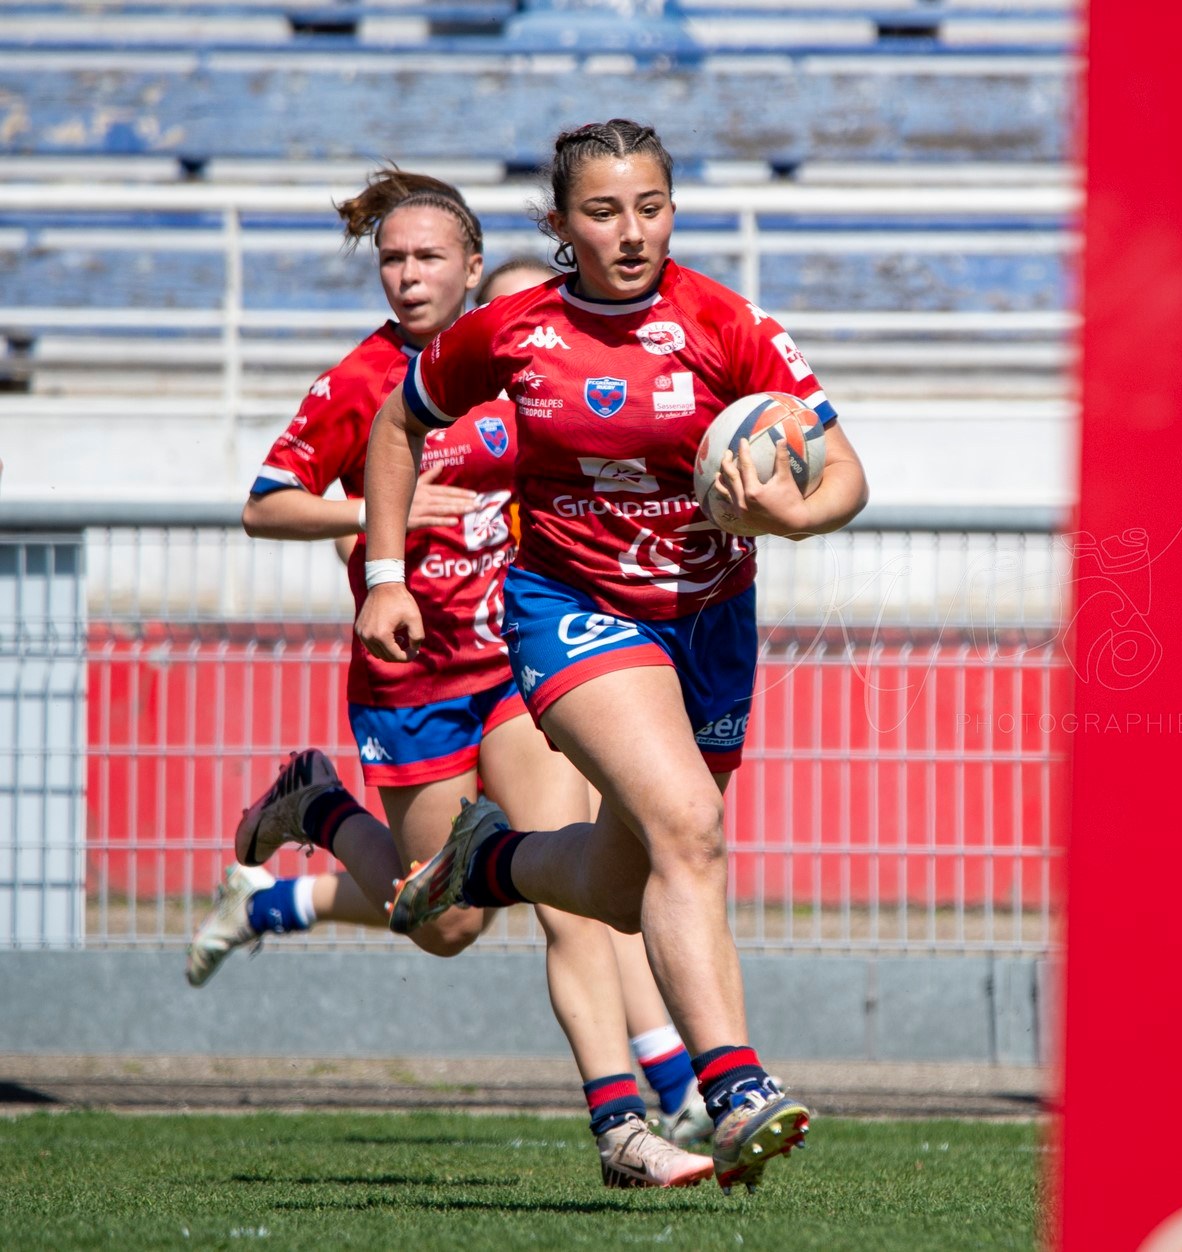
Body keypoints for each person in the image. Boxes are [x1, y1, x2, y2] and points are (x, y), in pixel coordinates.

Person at [355, 119, 868, 1194]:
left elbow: (845, 472)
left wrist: (793, 515)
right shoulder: (508, 332)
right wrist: (390, 572)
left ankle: (484, 861)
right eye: (601, 212)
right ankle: (732, 1086)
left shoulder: (728, 326)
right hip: (573, 607)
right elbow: (398, 428)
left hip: (711, 617)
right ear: (558, 224)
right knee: (690, 822)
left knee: (619, 874)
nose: (630, 233)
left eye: (650, 207)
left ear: (672, 209)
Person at [181, 176, 714, 1189]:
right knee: (447, 924)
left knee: (578, 892)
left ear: (475, 268)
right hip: (408, 682)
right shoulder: (360, 382)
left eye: (431, 258)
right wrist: (379, 515)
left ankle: (624, 1128)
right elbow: (264, 505)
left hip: (520, 668)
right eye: (393, 258)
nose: (411, 275)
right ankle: (316, 803)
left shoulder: (515, 360)